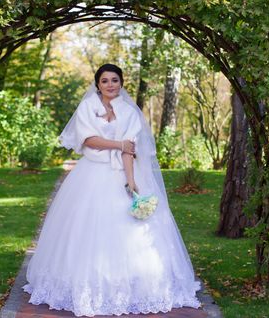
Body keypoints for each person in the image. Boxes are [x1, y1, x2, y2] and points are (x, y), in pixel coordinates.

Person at [21, 63, 202, 317]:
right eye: (105, 81)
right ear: (97, 85)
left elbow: (130, 150)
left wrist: (131, 181)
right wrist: (118, 144)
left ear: (121, 83)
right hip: (91, 174)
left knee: (131, 228)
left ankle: (136, 284)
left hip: (120, 172)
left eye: (114, 80)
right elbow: (88, 139)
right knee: (86, 228)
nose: (110, 85)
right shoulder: (87, 107)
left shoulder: (129, 112)